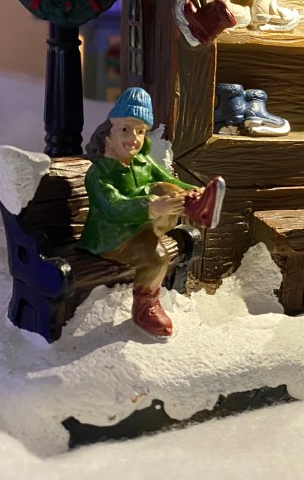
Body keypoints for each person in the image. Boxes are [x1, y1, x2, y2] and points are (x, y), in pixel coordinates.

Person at [79, 87, 224, 338]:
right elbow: (112, 208)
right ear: (108, 133)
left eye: (140, 131)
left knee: (164, 186)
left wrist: (193, 191)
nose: (133, 138)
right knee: (157, 257)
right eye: (125, 129)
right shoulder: (99, 173)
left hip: (143, 226)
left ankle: (198, 206)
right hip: (112, 238)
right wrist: (151, 206)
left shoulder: (143, 162)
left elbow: (170, 181)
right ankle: (145, 307)